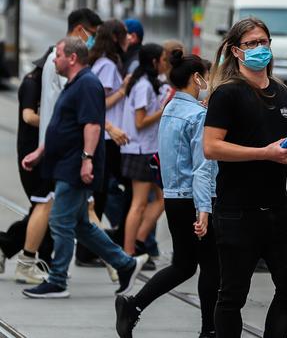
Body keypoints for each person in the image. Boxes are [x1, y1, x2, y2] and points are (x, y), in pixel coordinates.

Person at [204, 17, 287, 338]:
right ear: (236, 51)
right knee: (232, 296)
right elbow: (211, 147)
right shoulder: (227, 94)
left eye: (264, 42)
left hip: (279, 208)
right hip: (237, 211)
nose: (260, 49)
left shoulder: (283, 93)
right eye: (251, 44)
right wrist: (264, 153)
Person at [22, 37, 147, 298]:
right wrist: (41, 152)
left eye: (57, 55)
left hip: (75, 165)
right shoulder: (76, 83)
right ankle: (126, 265)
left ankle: (57, 280)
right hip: (66, 163)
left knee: (59, 220)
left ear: (72, 58)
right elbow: (62, 125)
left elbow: (92, 124)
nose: (53, 59)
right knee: (80, 224)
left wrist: (87, 159)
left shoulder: (88, 84)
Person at [115, 51, 219, 338]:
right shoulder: (199, 116)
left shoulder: (171, 109)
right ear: (196, 78)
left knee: (185, 265)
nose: (207, 82)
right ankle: (209, 330)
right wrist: (204, 209)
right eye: (206, 76)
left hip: (174, 198)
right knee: (211, 266)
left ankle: (133, 305)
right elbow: (202, 168)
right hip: (195, 198)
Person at [15, 8, 103, 284]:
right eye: (92, 34)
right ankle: (32, 264)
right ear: (80, 31)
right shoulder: (60, 66)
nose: (94, 40)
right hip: (60, 151)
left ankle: (119, 263)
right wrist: (48, 149)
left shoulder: (69, 70)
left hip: (56, 149)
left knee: (75, 211)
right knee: (52, 208)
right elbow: (61, 115)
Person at [79, 18, 131, 267]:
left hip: (103, 134)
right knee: (101, 192)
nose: (128, 40)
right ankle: (92, 249)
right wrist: (123, 89)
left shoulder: (97, 60)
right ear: (115, 38)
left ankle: (94, 246)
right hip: (108, 136)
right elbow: (101, 102)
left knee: (100, 192)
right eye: (124, 35)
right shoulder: (109, 66)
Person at [0, 53, 54, 277]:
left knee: (43, 206)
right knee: (43, 205)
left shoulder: (43, 83)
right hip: (31, 154)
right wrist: (58, 122)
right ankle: (36, 257)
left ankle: (9, 245)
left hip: (42, 153)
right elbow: (28, 116)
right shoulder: (33, 83)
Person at [121, 43, 166, 270]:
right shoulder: (143, 86)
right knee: (138, 204)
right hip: (140, 150)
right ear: (154, 62)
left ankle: (137, 243)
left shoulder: (147, 84)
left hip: (147, 149)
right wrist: (163, 109)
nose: (165, 64)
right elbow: (140, 122)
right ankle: (129, 252)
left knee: (161, 198)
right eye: (162, 59)